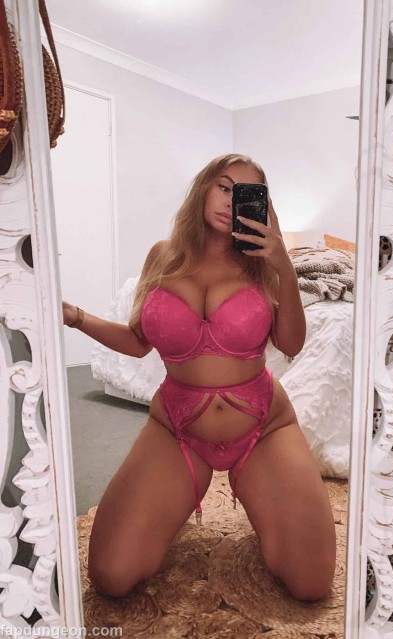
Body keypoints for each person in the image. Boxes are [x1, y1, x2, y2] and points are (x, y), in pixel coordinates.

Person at [63, 154, 336, 601]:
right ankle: (170, 511)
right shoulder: (162, 256)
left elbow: (291, 344)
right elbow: (138, 341)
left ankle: (264, 507)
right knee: (111, 575)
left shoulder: (262, 264)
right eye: (224, 187)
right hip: (177, 427)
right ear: (203, 189)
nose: (230, 201)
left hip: (263, 427)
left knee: (311, 584)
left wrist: (284, 265)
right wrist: (75, 316)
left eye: (244, 193)